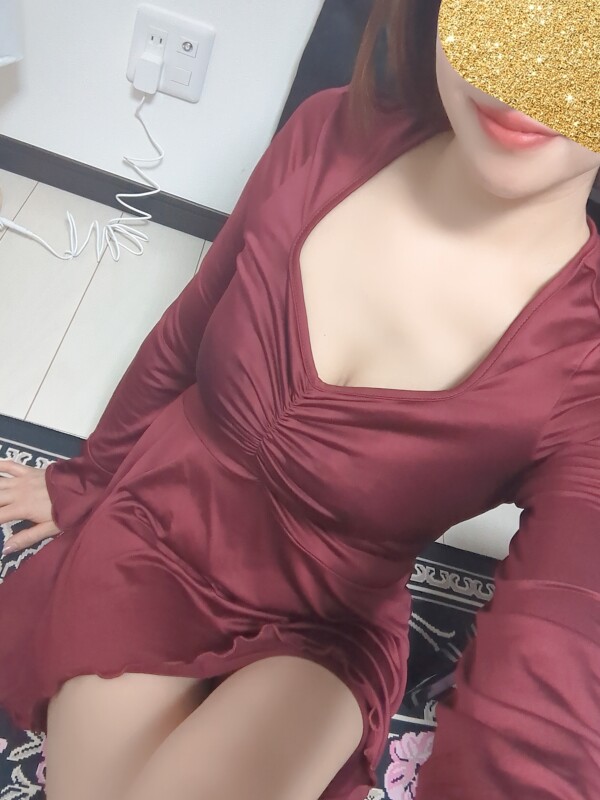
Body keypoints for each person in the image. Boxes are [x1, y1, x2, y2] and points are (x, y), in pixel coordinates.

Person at [1, 1, 599, 798]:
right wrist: (86, 479)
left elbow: (552, 699)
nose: (533, 68)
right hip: (155, 529)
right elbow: (187, 329)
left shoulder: (586, 363)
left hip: (326, 628)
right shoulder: (326, 132)